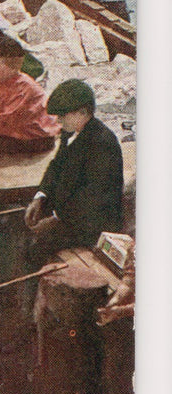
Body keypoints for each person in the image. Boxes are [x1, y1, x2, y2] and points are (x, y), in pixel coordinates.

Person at [24, 79, 124, 262]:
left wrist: (57, 218)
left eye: (62, 115)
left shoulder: (102, 143)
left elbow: (94, 196)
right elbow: (56, 167)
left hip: (92, 224)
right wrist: (40, 197)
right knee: (19, 223)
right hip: (68, 212)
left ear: (83, 112)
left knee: (34, 248)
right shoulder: (70, 132)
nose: (58, 120)